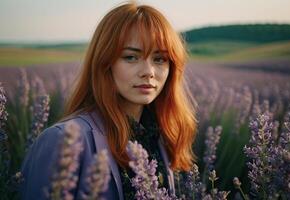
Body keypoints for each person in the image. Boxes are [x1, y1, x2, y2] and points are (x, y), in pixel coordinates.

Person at [20, 2, 197, 199]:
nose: (148, 72)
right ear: (105, 63)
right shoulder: (62, 141)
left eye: (160, 59)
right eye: (131, 57)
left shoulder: (162, 136)